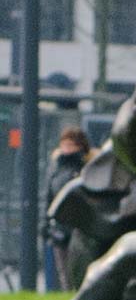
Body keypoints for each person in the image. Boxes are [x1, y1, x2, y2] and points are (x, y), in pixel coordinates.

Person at [43, 124, 91, 291]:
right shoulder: (56, 169)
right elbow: (49, 197)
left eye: (71, 145)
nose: (66, 149)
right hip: (59, 226)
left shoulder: (85, 169)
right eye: (64, 144)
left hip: (80, 226)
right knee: (64, 271)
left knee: (79, 268)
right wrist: (47, 223)